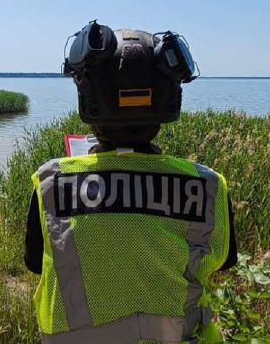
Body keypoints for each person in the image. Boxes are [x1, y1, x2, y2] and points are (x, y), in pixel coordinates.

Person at [24, 21, 237, 344]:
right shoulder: (207, 186)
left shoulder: (52, 183)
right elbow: (224, 262)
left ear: (88, 99)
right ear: (169, 99)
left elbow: (36, 263)